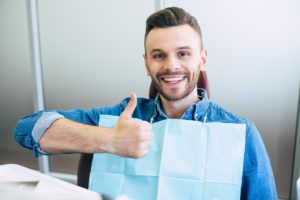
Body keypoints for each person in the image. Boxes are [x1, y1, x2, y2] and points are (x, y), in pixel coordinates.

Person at [14, 7, 277, 199]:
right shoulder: (121, 118)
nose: (171, 65)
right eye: (159, 55)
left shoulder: (240, 134)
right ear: (146, 64)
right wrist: (108, 140)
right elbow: (28, 129)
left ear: (203, 60)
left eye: (183, 53)